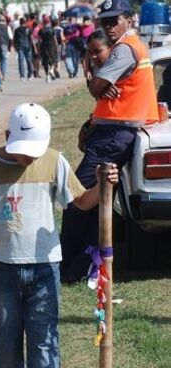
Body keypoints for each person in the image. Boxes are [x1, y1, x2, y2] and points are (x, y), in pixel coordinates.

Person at [0, 103, 119, 368]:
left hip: (44, 270)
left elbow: (82, 201)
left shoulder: (53, 161)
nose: (29, 158)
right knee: (4, 346)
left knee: (44, 344)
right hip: (0, 270)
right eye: (24, 152)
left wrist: (103, 184)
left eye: (34, 152)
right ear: (7, 137)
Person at [60, 0, 159, 282]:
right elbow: (98, 87)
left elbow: (96, 89)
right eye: (105, 21)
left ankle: (70, 267)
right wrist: (98, 82)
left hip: (113, 136)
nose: (109, 26)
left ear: (129, 19)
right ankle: (84, 266)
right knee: (98, 203)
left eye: (114, 20)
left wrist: (97, 82)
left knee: (76, 199)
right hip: (112, 134)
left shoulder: (125, 49)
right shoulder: (134, 47)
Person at [38, 16, 59, 83]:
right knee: (54, 60)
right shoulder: (52, 30)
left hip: (44, 46)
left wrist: (38, 49)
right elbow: (55, 39)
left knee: (45, 62)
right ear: (49, 22)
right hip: (51, 46)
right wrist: (56, 47)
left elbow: (39, 40)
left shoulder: (41, 30)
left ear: (43, 22)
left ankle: (47, 76)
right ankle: (51, 70)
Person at [0, 14, 12, 79]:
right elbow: (10, 37)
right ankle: (2, 75)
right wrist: (10, 47)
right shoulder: (7, 27)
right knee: (4, 60)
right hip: (4, 44)